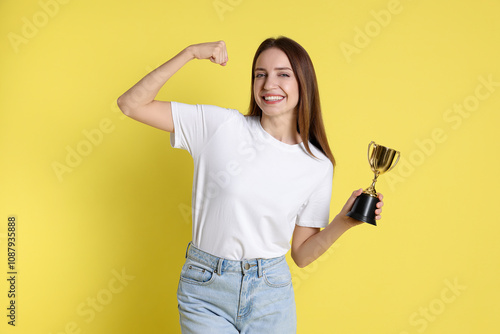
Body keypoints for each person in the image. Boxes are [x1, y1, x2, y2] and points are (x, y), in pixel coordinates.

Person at [117, 37, 384, 334]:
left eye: (283, 74)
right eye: (260, 74)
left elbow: (302, 254)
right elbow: (130, 104)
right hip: (205, 288)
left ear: (303, 83)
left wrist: (343, 222)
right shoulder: (220, 126)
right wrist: (189, 53)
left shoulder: (318, 165)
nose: (269, 84)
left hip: (271, 292)